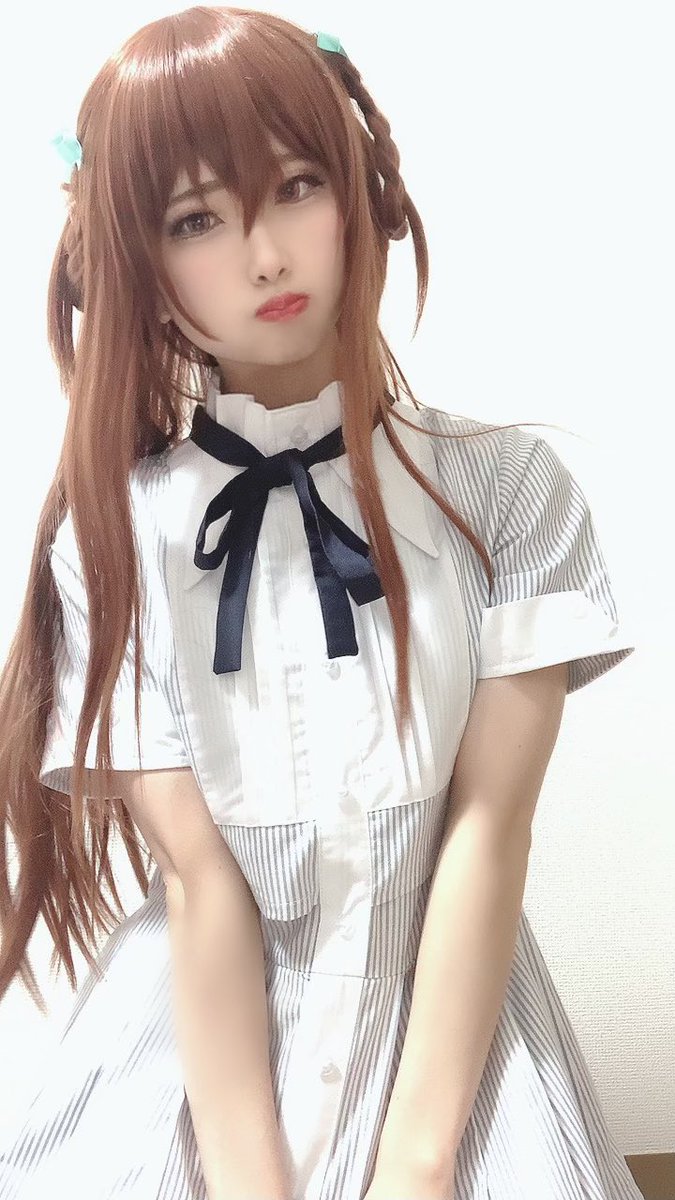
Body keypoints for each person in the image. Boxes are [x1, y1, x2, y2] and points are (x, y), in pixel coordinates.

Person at [0, 7, 642, 1199]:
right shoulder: (115, 540)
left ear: (362, 193)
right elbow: (198, 879)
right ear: (136, 262)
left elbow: (488, 831)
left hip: (456, 1057)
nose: (264, 257)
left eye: (297, 186)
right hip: (199, 1061)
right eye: (196, 219)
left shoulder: (507, 494)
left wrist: (418, 1163)